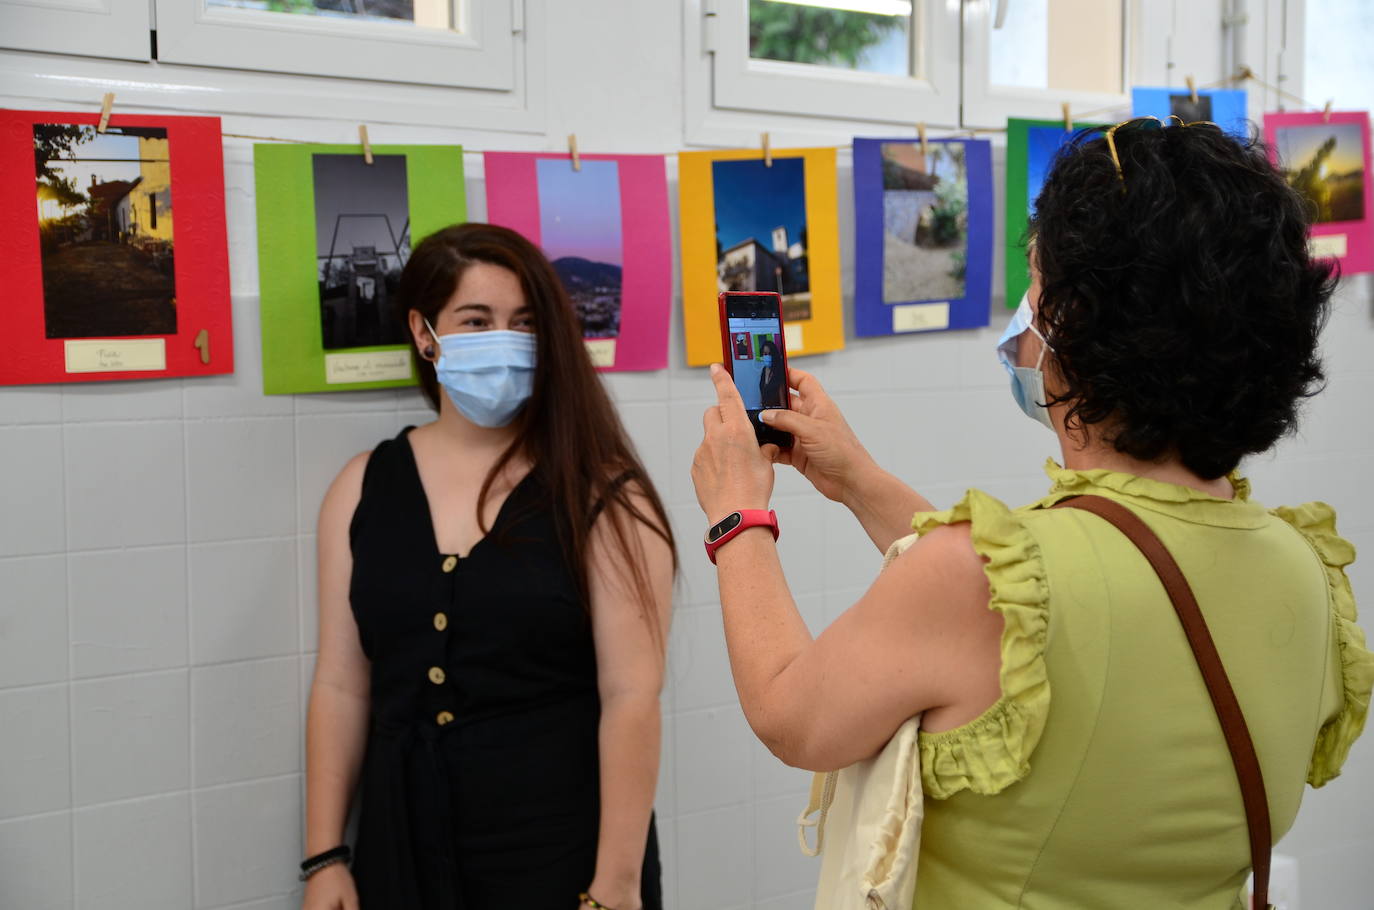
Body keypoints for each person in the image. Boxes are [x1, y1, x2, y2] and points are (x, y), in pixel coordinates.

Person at [690, 120, 1374, 906]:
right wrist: (859, 481)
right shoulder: (1304, 569)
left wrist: (738, 516)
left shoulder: (972, 583)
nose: (1022, 319)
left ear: (1080, 328)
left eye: (1036, 285)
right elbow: (1021, 601)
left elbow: (790, 713)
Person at [304, 223, 675, 910]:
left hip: (560, 856)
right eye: (476, 321)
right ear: (424, 332)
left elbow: (632, 699)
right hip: (401, 849)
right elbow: (341, 685)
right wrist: (325, 855)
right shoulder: (361, 487)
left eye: (524, 324)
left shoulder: (603, 493)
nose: (504, 341)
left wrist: (616, 886)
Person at [756, 338, 786, 410]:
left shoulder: (778, 370)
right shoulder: (764, 370)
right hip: (764, 410)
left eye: (770, 354)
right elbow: (762, 390)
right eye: (765, 354)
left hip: (777, 410)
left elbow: (782, 398)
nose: (767, 357)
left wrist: (786, 413)